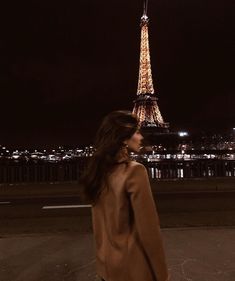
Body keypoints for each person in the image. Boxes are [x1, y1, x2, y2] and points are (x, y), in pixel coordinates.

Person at [81, 110, 170, 281]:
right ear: (123, 138)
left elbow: (99, 228)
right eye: (136, 132)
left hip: (106, 268)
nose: (141, 137)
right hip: (133, 269)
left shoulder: (97, 173)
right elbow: (149, 232)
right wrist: (162, 274)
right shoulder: (135, 171)